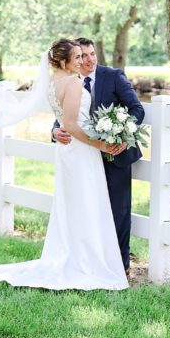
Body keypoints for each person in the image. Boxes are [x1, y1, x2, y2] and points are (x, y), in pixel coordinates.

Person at [0, 38, 128, 291]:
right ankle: (86, 261)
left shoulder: (52, 83)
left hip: (68, 152)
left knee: (73, 203)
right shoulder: (73, 83)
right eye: (77, 58)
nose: (82, 61)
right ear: (63, 61)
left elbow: (63, 120)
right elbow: (71, 124)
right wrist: (101, 145)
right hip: (81, 151)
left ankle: (78, 254)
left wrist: (59, 132)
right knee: (85, 202)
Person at [52, 37, 145, 272]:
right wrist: (54, 131)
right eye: (83, 55)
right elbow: (65, 117)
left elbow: (137, 109)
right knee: (88, 210)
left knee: (118, 211)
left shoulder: (113, 76)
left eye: (93, 53)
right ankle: (93, 260)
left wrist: (121, 136)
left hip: (115, 153)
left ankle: (121, 264)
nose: (89, 59)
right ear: (75, 59)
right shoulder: (70, 81)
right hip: (84, 155)